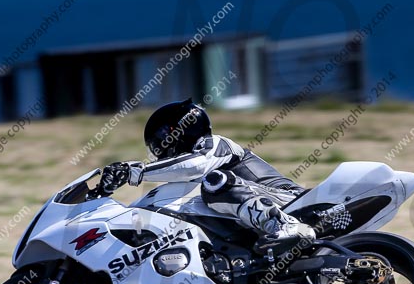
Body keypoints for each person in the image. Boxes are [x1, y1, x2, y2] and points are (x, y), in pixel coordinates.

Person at [98, 98, 316, 245]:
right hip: (260, 213)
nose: (160, 148)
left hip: (293, 202)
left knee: (215, 182)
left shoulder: (217, 145)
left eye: (163, 137)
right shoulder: (191, 176)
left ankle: (284, 224)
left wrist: (134, 172)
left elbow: (194, 164)